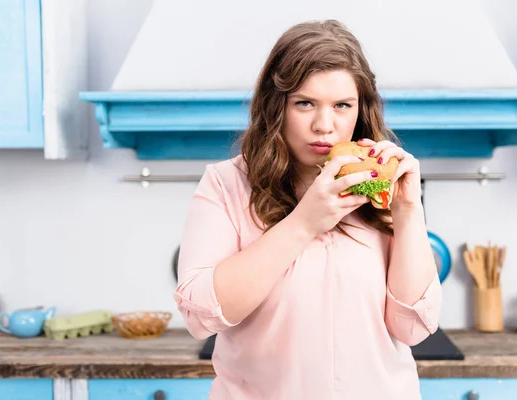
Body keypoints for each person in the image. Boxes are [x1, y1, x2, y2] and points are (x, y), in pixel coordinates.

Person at [174, 19, 442, 400]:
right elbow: (200, 315)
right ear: (276, 105)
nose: (324, 125)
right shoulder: (226, 184)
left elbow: (413, 328)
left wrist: (408, 211)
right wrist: (304, 223)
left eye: (342, 106)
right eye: (305, 103)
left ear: (359, 109)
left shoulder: (380, 187)